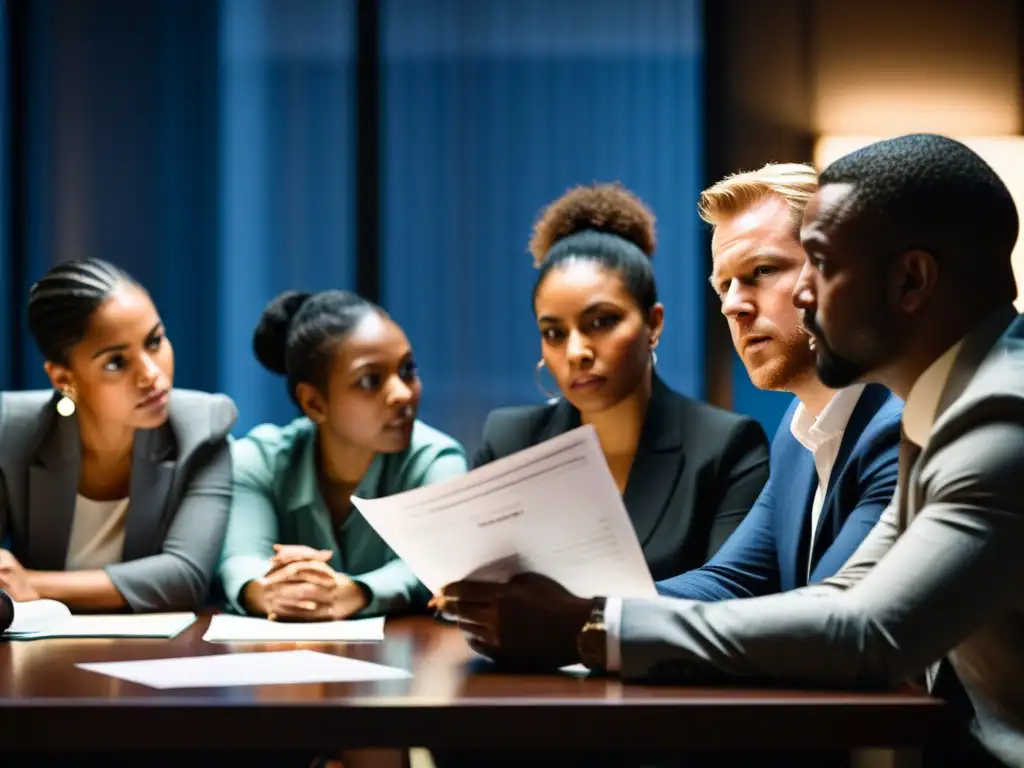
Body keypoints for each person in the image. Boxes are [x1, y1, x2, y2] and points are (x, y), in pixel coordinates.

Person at [440, 134, 1024, 766]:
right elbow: (807, 591)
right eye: (725, 286)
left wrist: (588, 627)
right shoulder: (918, 412)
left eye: (817, 264)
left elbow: (865, 634)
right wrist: (570, 611)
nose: (802, 295)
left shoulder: (999, 415)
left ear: (911, 279)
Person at [473, 183, 770, 580]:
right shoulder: (510, 441)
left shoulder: (726, 448)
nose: (576, 351)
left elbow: (732, 595)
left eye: (601, 322)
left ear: (653, 323)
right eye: (554, 333)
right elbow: (466, 586)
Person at [658, 163, 901, 601]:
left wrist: (592, 620)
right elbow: (730, 581)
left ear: (829, 272)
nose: (732, 306)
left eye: (762, 270)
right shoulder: (798, 428)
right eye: (723, 285)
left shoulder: (898, 426)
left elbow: (828, 616)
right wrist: (583, 609)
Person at [0, 258, 236, 612]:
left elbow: (184, 578)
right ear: (64, 379)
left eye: (155, 341)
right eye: (116, 362)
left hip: (158, 659)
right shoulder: (10, 431)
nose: (151, 375)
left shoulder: (203, 429)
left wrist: (30, 583)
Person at [218, 290, 467, 621]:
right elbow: (241, 559)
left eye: (407, 370)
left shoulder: (436, 460)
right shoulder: (259, 460)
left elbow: (440, 563)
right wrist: (270, 590)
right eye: (370, 381)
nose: (403, 393)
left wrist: (356, 591)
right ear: (314, 404)